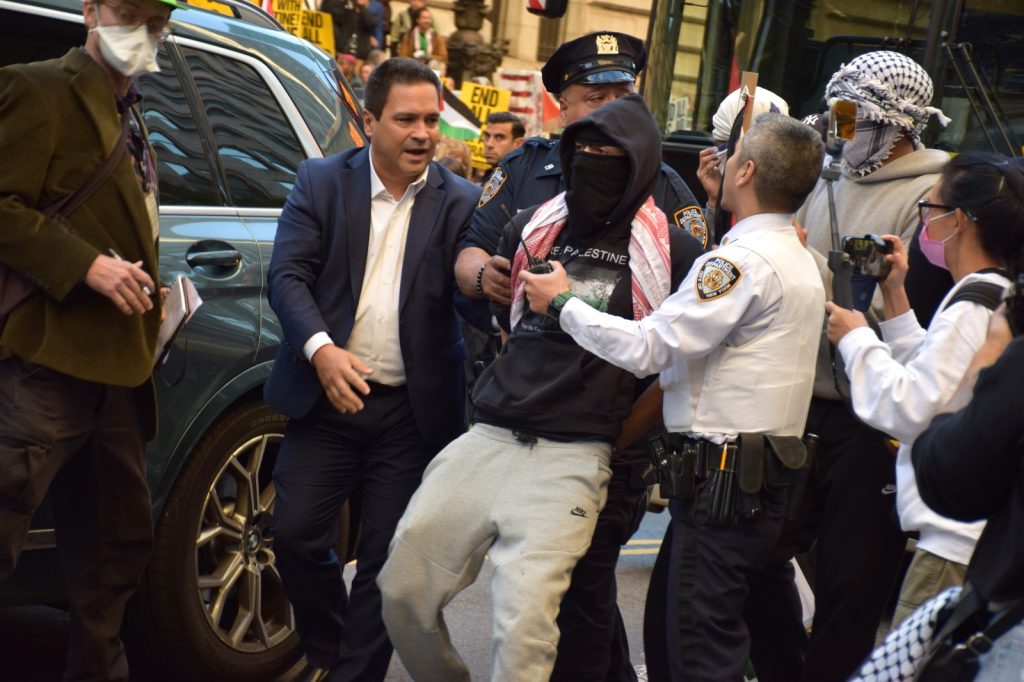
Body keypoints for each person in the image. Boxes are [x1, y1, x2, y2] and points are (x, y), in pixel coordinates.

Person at [378, 94, 704, 682]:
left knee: (527, 627)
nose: (594, 162)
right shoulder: (532, 225)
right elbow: (509, 324)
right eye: (584, 150)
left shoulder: (675, 251)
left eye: (611, 155)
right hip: (490, 435)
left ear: (640, 165)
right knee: (402, 588)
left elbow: (677, 366)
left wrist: (617, 440)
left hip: (578, 454)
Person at [523, 111, 826, 682]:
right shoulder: (792, 254)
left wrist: (564, 304)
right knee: (699, 631)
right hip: (754, 480)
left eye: (733, 155)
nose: (723, 162)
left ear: (747, 171)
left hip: (724, 486)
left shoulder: (739, 263)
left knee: (695, 647)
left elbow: (651, 347)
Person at [263, 58, 483, 682]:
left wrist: (485, 282)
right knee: (295, 536)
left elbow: (470, 297)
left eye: (432, 121)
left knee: (386, 566)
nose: (423, 134)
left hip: (412, 413)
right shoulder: (321, 182)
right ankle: (331, 651)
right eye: (406, 119)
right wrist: (321, 350)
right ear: (368, 121)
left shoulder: (462, 201)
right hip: (327, 396)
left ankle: (353, 674)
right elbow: (288, 276)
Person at [744, 50, 954, 682]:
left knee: (851, 583)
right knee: (757, 556)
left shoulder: (933, 194)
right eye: (835, 112)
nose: (839, 128)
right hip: (799, 402)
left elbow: (915, 310)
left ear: (896, 123)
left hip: (874, 419)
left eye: (851, 115)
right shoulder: (822, 178)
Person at [0, 0, 178, 678]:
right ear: (91, 11)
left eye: (155, 20)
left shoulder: (132, 112)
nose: (143, 31)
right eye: (128, 12)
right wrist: (88, 267)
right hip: (44, 363)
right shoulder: (38, 85)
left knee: (115, 550)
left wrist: (147, 284)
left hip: (120, 372)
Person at [826, 152, 1024, 625]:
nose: (924, 222)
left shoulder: (972, 305)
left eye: (929, 208)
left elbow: (912, 407)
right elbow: (942, 379)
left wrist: (855, 339)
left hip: (951, 545)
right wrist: (896, 296)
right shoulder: (996, 293)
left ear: (958, 221)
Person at [456, 30, 706, 310]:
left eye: (623, 97)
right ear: (563, 110)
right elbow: (473, 249)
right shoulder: (522, 169)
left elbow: (694, 289)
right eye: (596, 98)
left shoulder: (663, 184)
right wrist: (484, 276)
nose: (613, 111)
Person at [852, 295, 1024, 680]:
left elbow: (945, 468)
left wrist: (991, 353)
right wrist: (896, 302)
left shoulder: (981, 315)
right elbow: (928, 369)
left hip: (969, 565)